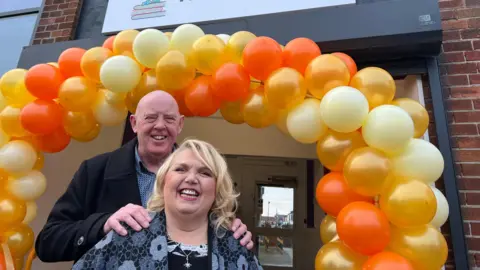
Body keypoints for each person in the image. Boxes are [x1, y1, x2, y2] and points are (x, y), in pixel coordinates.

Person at [35, 91, 254, 263]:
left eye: (169, 118)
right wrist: (104, 225)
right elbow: (47, 243)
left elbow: (217, 224)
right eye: (150, 118)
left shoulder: (203, 180)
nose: (160, 125)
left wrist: (231, 229)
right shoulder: (95, 170)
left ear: (180, 125)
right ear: (134, 123)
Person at [72, 139, 262, 269]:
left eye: (205, 173)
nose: (191, 178)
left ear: (217, 188)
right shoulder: (125, 235)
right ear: (164, 182)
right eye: (181, 169)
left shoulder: (235, 245)